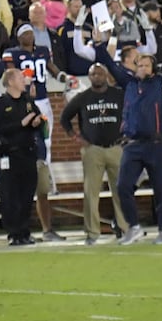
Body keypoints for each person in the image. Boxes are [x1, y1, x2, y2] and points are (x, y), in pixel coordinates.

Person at [90, 33, 162, 244]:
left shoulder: (161, 84)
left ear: (153, 68)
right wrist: (99, 44)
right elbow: (109, 64)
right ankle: (133, 226)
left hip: (155, 143)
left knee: (159, 189)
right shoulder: (129, 84)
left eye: (145, 65)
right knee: (123, 186)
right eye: (139, 65)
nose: (141, 68)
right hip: (133, 144)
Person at [59, 61, 125, 244]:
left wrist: (126, 134)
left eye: (100, 74)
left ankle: (125, 228)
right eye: (93, 74)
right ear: (89, 77)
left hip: (116, 147)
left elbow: (130, 114)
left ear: (106, 76)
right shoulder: (82, 97)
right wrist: (75, 136)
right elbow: (64, 118)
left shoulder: (118, 94)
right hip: (92, 149)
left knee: (121, 191)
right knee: (91, 193)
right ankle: (92, 233)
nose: (97, 77)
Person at [0, 68, 44, 246]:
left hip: (28, 153)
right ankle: (13, 233)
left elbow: (37, 119)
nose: (24, 80)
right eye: (20, 78)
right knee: (10, 196)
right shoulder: (0, 103)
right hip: (9, 154)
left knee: (27, 195)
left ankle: (24, 231)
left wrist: (37, 122)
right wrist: (20, 124)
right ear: (11, 82)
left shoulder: (28, 100)